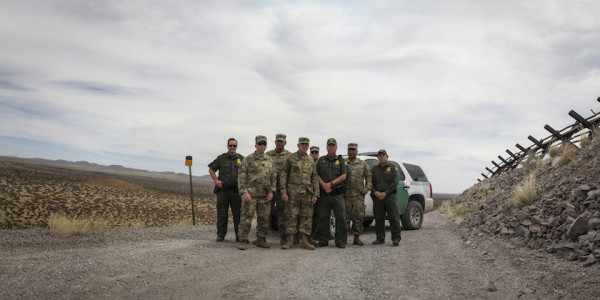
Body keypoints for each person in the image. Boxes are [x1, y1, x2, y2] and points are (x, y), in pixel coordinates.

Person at [237, 135, 277, 250]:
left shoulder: (269, 160)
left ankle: (261, 239)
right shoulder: (248, 159)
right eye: (260, 144)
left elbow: (274, 177)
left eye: (264, 144)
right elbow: (241, 177)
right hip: (251, 195)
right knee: (246, 218)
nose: (262, 146)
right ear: (255, 145)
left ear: (266, 146)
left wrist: (272, 191)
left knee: (264, 219)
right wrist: (244, 192)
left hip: (265, 195)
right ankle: (243, 240)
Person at [280, 137, 319, 250]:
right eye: (302, 144)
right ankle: (290, 240)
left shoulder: (310, 160)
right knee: (291, 216)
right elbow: (283, 175)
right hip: (293, 193)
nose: (304, 146)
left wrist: (315, 194)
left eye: (306, 144)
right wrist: (283, 191)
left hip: (307, 193)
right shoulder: (290, 158)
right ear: (298, 145)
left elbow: (314, 177)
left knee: (306, 217)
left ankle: (305, 241)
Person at [208, 138, 244, 242]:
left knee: (238, 214)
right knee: (222, 213)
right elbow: (211, 169)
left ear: (236, 147)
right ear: (227, 146)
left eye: (234, 146)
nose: (232, 147)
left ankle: (239, 235)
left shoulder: (241, 158)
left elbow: (246, 172)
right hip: (223, 190)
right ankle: (221, 235)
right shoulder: (221, 158)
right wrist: (216, 180)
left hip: (236, 190)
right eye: (230, 145)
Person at [315, 138, 348, 248]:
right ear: (326, 147)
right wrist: (324, 185)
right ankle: (323, 240)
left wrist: (330, 185)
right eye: (329, 145)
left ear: (336, 147)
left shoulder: (341, 161)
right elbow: (315, 174)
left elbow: (344, 176)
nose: (331, 147)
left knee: (341, 218)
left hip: (337, 194)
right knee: (323, 218)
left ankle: (339, 241)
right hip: (325, 195)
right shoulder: (321, 160)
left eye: (333, 145)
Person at [371, 149, 401, 246]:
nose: (381, 157)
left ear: (387, 157)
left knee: (394, 218)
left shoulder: (393, 168)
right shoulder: (374, 169)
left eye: (383, 155)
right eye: (379, 156)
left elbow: (395, 182)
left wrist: (385, 193)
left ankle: (396, 239)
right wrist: (375, 192)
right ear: (378, 158)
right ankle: (380, 238)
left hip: (389, 197)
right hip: (377, 198)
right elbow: (369, 183)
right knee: (379, 218)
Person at [266, 133, 292, 245]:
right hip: (269, 189)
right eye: (278, 141)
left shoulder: (290, 156)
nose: (280, 143)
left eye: (282, 141)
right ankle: (261, 236)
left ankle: (283, 236)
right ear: (275, 142)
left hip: (282, 189)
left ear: (285, 143)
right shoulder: (268, 155)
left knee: (282, 213)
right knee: (265, 212)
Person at [344, 143, 372, 246]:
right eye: (350, 150)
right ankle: (344, 238)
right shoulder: (343, 163)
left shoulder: (363, 164)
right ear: (347, 151)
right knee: (345, 218)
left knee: (358, 218)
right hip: (346, 195)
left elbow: (369, 177)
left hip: (358, 196)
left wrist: (366, 189)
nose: (351, 151)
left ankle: (357, 238)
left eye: (353, 150)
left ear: (357, 151)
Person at [309, 145, 320, 245]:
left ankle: (316, 234)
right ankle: (308, 236)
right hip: (308, 194)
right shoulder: (307, 162)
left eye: (316, 152)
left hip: (320, 193)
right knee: (308, 216)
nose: (314, 154)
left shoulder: (321, 163)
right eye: (312, 152)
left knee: (318, 216)